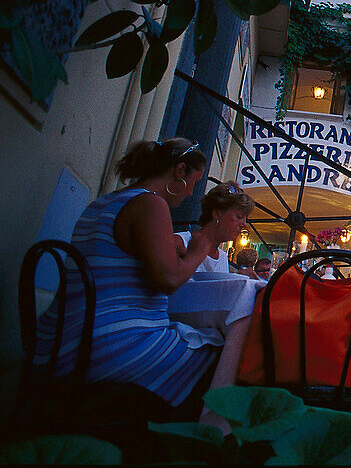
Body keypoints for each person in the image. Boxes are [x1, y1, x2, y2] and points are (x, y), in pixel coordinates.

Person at [35, 139, 246, 417]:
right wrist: (200, 248)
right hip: (108, 345)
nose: (192, 193)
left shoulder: (107, 201)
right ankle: (183, 440)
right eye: (194, 182)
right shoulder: (150, 203)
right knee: (229, 359)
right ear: (179, 171)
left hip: (58, 337)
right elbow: (169, 280)